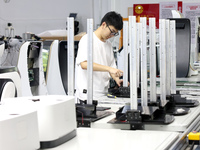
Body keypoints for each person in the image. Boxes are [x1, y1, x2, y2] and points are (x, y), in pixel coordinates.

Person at [75, 11, 123, 102]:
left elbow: (112, 67)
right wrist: (109, 69)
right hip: (87, 95)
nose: (112, 35)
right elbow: (84, 64)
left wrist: (117, 80)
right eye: (112, 31)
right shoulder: (87, 39)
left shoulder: (108, 44)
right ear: (104, 24)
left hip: (103, 93)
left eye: (115, 34)